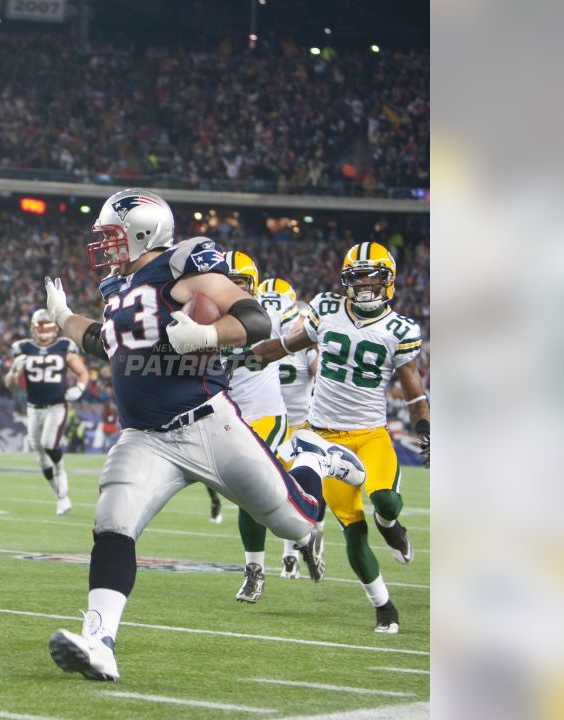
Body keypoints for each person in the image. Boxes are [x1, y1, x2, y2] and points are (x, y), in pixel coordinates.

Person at [42, 188, 368, 681]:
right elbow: (98, 341)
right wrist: (64, 316)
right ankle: (99, 642)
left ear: (142, 232)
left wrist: (210, 336)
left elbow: (253, 317)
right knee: (113, 523)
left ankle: (314, 460)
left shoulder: (181, 263)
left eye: (111, 236)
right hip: (146, 437)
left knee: (296, 522)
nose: (104, 247)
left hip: (210, 424)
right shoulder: (118, 292)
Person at [252, 241, 431, 634]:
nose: (366, 284)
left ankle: (393, 527)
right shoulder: (327, 310)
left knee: (384, 500)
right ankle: (383, 605)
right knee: (352, 528)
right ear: (346, 281)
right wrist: (247, 356)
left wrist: (424, 427)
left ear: (389, 281)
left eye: (373, 276)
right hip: (321, 438)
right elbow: (286, 345)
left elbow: (414, 390)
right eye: (358, 277)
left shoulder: (399, 329)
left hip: (369, 435)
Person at [220, 253, 305, 603]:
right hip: (226, 415)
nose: (234, 287)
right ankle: (302, 531)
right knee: (248, 493)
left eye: (241, 282)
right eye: (228, 280)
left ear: (252, 285)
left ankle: (255, 569)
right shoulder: (199, 314)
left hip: (266, 413)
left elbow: (304, 334)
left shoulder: (271, 310)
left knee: (249, 490)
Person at [257, 277, 320, 580]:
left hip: (301, 426)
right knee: (281, 494)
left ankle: (291, 555)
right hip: (274, 423)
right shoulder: (258, 336)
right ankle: (290, 555)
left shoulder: (301, 340)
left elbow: (317, 368)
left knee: (300, 493)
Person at [4, 309, 89, 515]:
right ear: (33, 327)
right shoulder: (22, 348)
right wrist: (15, 370)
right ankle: (60, 496)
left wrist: (79, 388)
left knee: (49, 443)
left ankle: (61, 471)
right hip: (33, 408)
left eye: (48, 326)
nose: (44, 331)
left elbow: (82, 372)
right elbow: (10, 384)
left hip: (56, 405)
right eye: (40, 326)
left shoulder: (64, 346)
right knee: (40, 455)